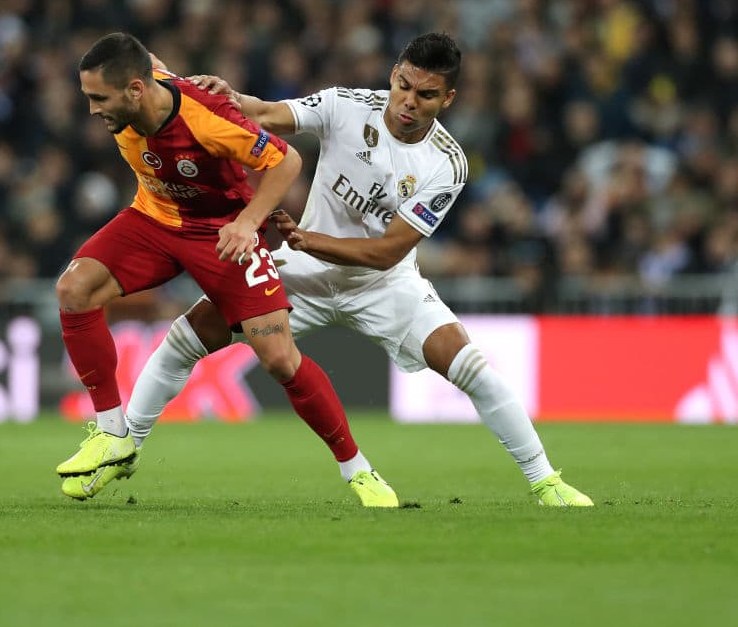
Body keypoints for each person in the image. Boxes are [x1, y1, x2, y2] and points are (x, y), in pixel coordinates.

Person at [83, 32, 593, 507]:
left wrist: (310, 239)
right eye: (404, 85)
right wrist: (228, 97)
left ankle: (546, 480)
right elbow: (263, 115)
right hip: (301, 272)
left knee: (474, 371)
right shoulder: (347, 106)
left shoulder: (447, 163)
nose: (409, 102)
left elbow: (388, 251)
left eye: (427, 95)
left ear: (448, 100)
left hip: (384, 286)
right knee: (183, 339)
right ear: (394, 74)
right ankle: (124, 447)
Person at [56, 32, 398, 507]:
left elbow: (286, 160)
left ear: (135, 90)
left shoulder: (206, 118)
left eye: (99, 98)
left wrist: (246, 223)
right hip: (154, 215)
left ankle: (358, 471)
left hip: (220, 232)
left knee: (280, 358)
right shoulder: (147, 78)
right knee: (74, 289)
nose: (93, 110)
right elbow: (150, 59)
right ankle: (115, 436)